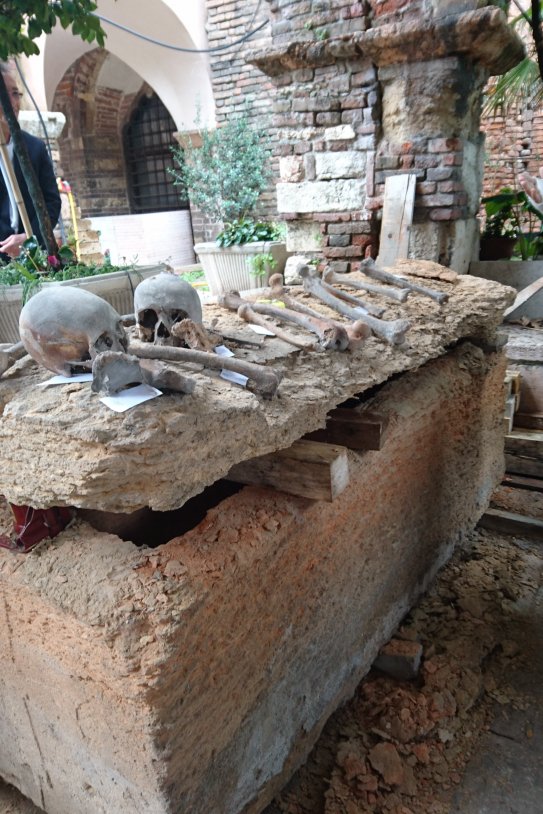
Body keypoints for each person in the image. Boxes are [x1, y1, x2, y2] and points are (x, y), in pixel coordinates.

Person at [0, 61, 61, 262]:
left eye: (15, 93)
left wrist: (30, 238)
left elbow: (51, 202)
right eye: (4, 93)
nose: (12, 102)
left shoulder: (35, 148)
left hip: (33, 256)